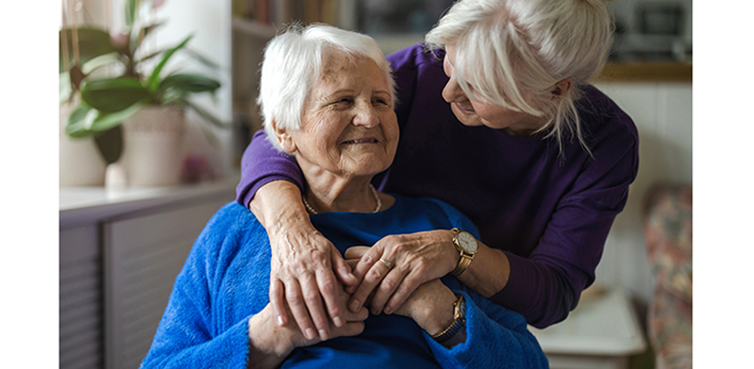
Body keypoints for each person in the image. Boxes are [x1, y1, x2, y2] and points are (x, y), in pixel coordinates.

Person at [140, 24, 548, 368]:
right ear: (283, 129)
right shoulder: (233, 230)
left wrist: (438, 309)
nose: (369, 117)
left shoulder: (440, 227)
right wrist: (272, 335)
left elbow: (530, 362)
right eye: (342, 101)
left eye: (380, 101)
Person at [238, 0, 639, 341]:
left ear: (556, 90)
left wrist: (457, 252)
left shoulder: (605, 142)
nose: (448, 93)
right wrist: (292, 234)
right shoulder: (422, 72)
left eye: (479, 87)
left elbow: (553, 293)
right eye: (451, 63)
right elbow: (277, 138)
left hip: (468, 320)